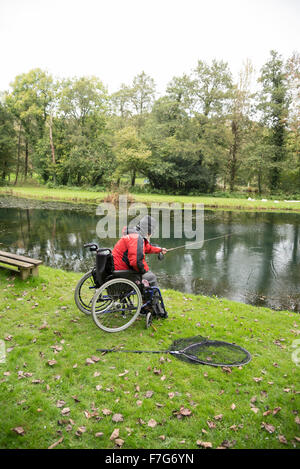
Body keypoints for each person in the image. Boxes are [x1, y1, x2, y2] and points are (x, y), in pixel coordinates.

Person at [112, 215, 167, 287]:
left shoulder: (134, 234)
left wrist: (160, 249)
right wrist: (145, 271)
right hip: (122, 271)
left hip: (118, 267)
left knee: (146, 275)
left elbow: (146, 248)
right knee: (151, 277)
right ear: (149, 232)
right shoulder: (136, 238)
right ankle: (152, 298)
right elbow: (136, 262)